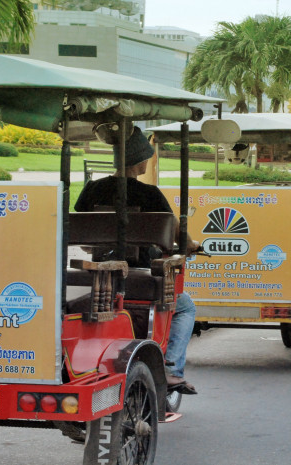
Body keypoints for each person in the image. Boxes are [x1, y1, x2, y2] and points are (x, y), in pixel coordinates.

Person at [75, 126, 199, 395]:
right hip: (140, 276)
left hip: (100, 277)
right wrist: (191, 246)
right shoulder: (150, 194)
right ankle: (172, 370)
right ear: (139, 160)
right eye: (147, 157)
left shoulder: (92, 190)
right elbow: (176, 232)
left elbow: (84, 241)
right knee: (186, 307)